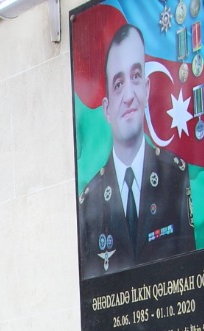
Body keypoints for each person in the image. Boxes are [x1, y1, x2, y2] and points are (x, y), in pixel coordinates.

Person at [78, 22, 195, 279]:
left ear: (147, 88)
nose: (129, 95)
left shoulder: (174, 177)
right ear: (107, 109)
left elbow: (190, 273)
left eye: (136, 76)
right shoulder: (89, 203)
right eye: (118, 84)